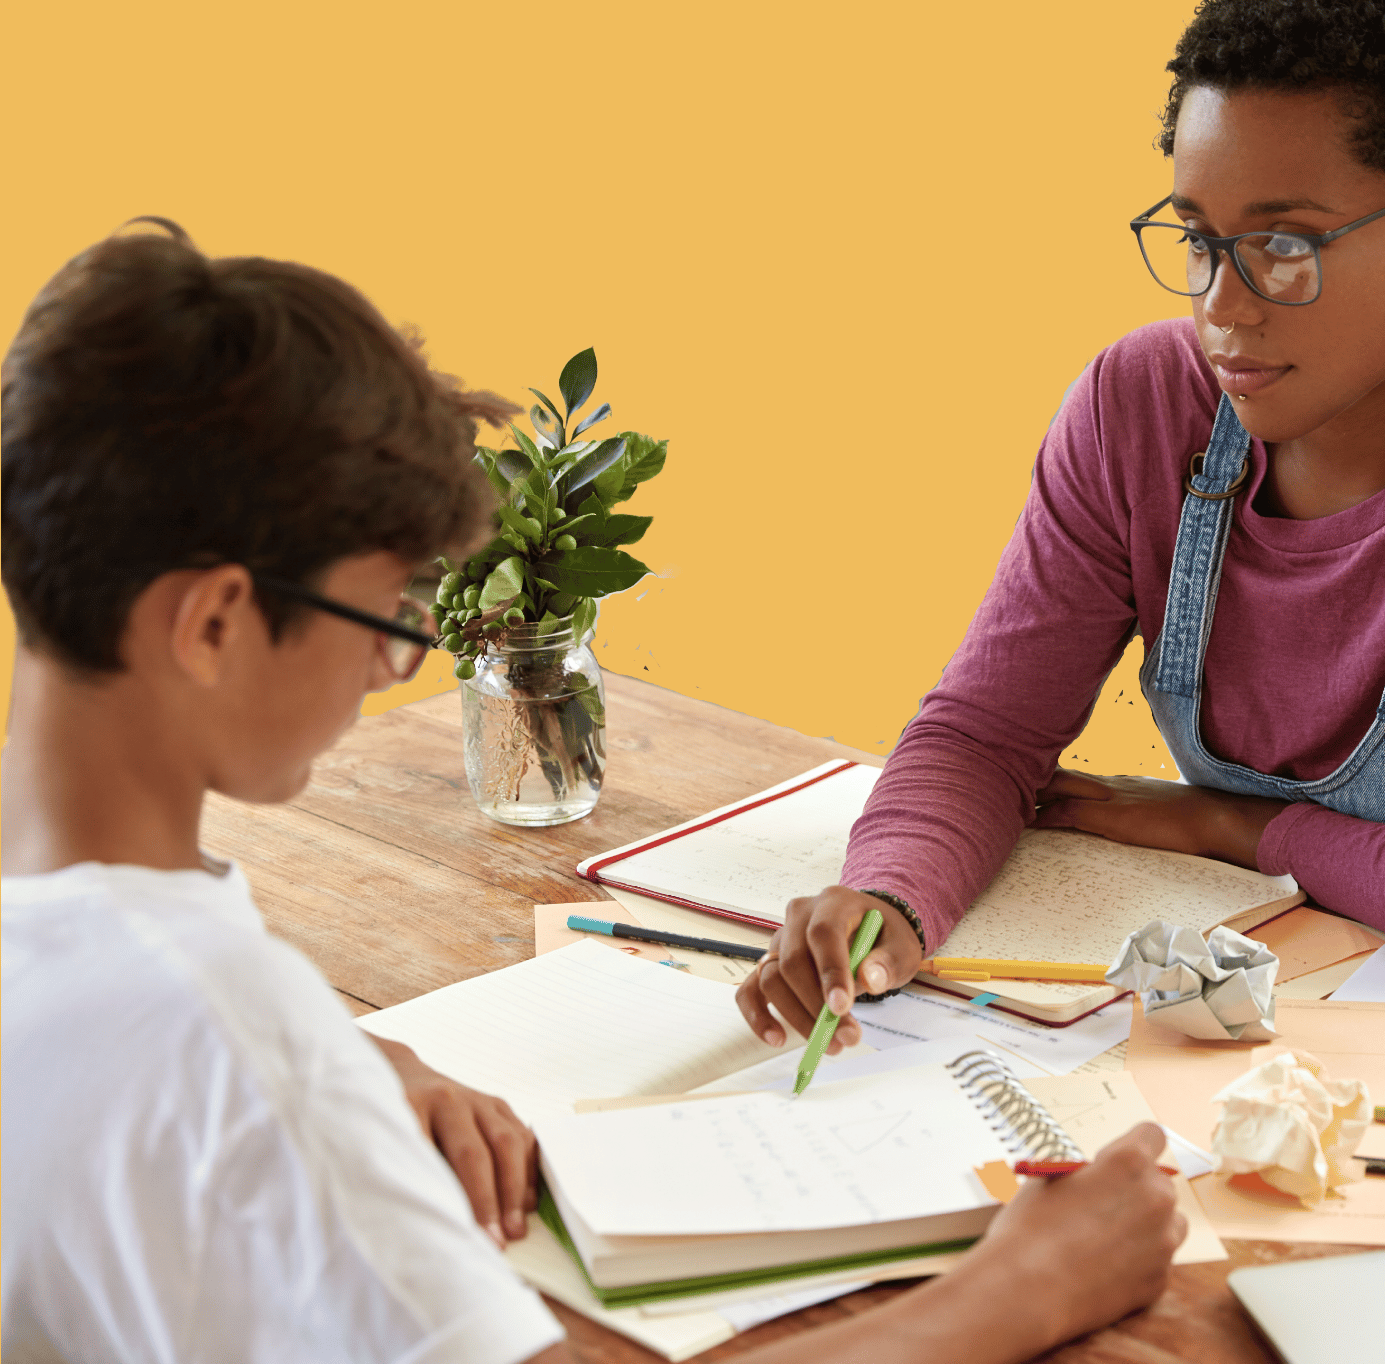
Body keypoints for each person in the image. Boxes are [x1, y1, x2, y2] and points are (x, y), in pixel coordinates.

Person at [0, 222, 1183, 1363]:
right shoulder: (237, 1046)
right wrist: (1022, 1290)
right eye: (387, 618)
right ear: (212, 622)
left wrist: (343, 1058)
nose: (394, 664)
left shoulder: (127, 962)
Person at [738, 0, 1385, 1058]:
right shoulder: (1141, 406)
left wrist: (1228, 826)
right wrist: (887, 897)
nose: (1221, 306)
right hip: (1282, 951)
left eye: (1283, 246)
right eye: (1199, 239)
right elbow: (984, 733)